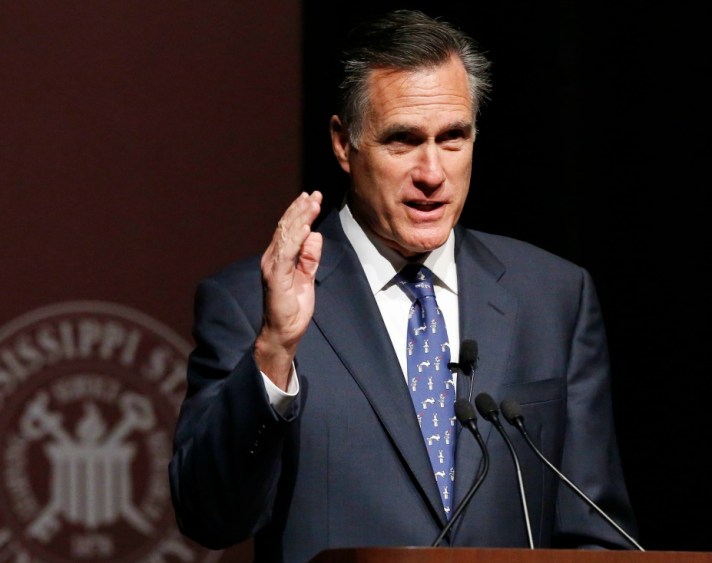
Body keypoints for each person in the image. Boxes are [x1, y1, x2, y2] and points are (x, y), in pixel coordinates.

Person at [168, 9, 639, 562]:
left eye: (453, 137)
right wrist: (274, 351)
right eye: (403, 140)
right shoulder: (252, 304)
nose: (432, 173)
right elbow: (210, 516)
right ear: (343, 144)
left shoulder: (554, 296)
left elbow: (597, 532)